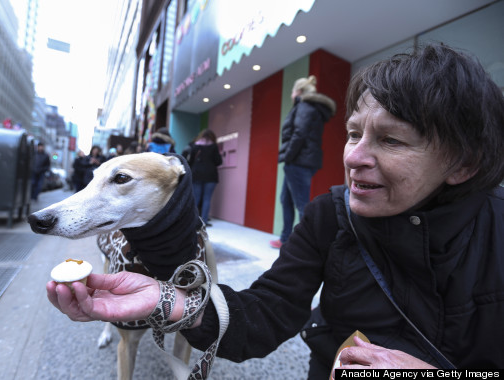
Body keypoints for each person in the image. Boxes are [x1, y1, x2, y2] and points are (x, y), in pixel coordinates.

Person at [45, 44, 504, 377]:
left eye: (390, 140)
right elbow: (266, 314)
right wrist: (175, 303)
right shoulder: (329, 216)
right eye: (352, 134)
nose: (353, 157)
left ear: (463, 163)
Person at [269, 75, 336, 249]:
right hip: (302, 160)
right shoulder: (310, 107)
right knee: (286, 200)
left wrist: (289, 156)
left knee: (302, 204)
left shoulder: (304, 106)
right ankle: (285, 239)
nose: (291, 94)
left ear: (298, 91)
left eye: (292, 90)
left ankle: (308, 245)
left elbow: (299, 133)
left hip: (298, 161)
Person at [182, 129, 223, 226]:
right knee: (207, 198)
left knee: (196, 198)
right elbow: (218, 161)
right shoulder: (214, 146)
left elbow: (190, 161)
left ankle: (194, 220)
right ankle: (204, 221)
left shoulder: (195, 146)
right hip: (210, 175)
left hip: (196, 174)